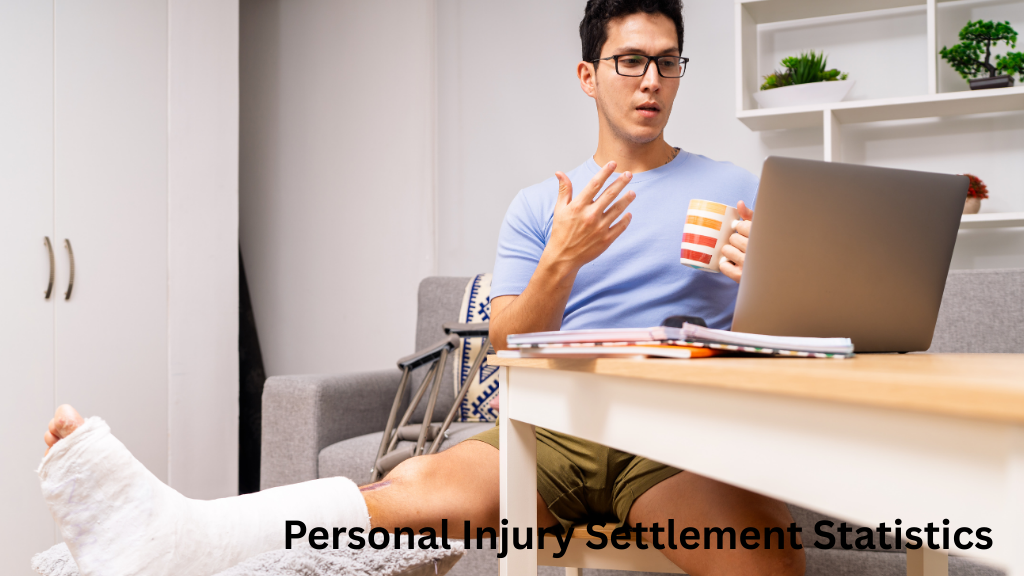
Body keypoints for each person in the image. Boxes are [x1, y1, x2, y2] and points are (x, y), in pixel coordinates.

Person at [39, 1, 804, 575]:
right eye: (630, 61)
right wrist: (563, 260)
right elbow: (507, 342)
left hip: (669, 447)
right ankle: (174, 539)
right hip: (552, 434)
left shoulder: (735, 187)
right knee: (410, 492)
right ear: (589, 74)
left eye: (667, 62)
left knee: (772, 562)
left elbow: (794, 335)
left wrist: (766, 280)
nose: (651, 81)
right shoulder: (543, 203)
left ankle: (172, 541)